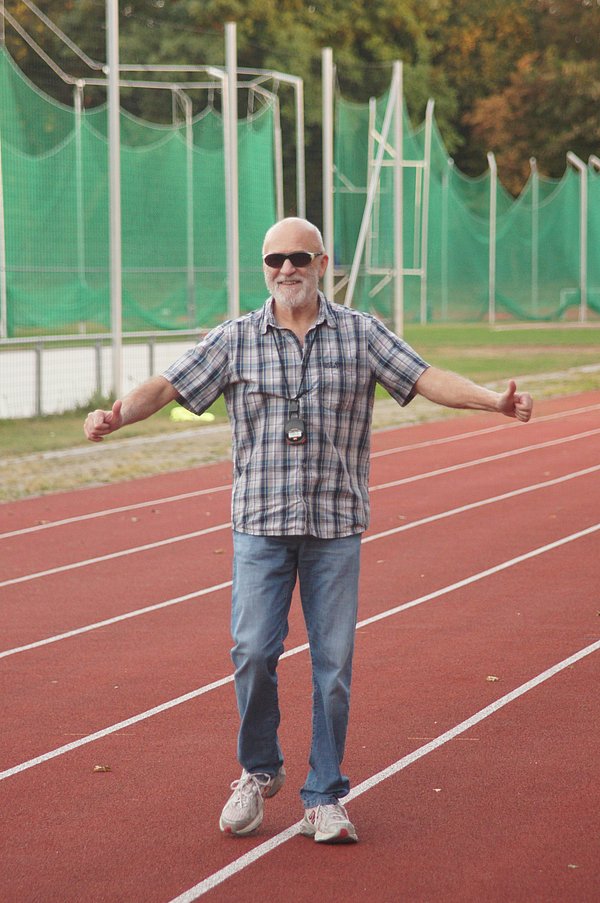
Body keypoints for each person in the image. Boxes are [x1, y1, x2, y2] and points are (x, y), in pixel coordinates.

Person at [84, 217, 533, 844]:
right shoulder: (237, 338)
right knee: (252, 653)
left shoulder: (361, 333)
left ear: (323, 264)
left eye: (299, 257)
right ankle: (259, 770)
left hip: (334, 526)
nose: (287, 269)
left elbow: (426, 377)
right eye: (275, 260)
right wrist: (117, 416)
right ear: (264, 268)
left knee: (333, 667)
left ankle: (324, 795)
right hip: (261, 525)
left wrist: (494, 401)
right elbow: (167, 386)